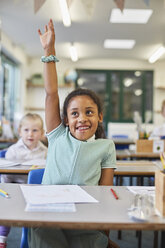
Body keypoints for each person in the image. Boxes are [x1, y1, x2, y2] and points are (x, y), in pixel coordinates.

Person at [28, 19, 116, 248]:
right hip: (47, 216)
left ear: (100, 117)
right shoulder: (57, 135)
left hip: (85, 220)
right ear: (66, 120)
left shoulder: (106, 147)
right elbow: (51, 94)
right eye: (75, 114)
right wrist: (49, 52)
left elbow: (105, 194)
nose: (82, 119)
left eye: (89, 112)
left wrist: (105, 237)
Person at [0, 113, 48, 248]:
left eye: (35, 130)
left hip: (35, 189)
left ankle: (33, 239)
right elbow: (6, 177)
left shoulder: (45, 152)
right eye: (26, 130)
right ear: (19, 131)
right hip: (14, 188)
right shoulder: (13, 151)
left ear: (42, 133)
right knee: (5, 207)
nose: (30, 134)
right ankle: (2, 238)